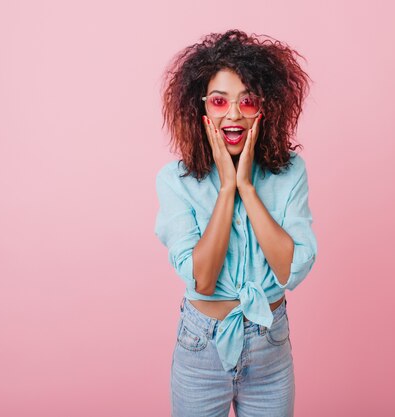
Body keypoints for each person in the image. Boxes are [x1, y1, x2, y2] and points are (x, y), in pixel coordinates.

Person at [155, 29, 318, 417]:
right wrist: (227, 188)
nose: (232, 114)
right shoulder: (174, 181)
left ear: (265, 108)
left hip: (270, 347)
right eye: (218, 101)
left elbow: (290, 268)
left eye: (246, 101)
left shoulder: (290, 172)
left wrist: (245, 184)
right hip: (201, 349)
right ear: (201, 109)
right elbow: (203, 280)